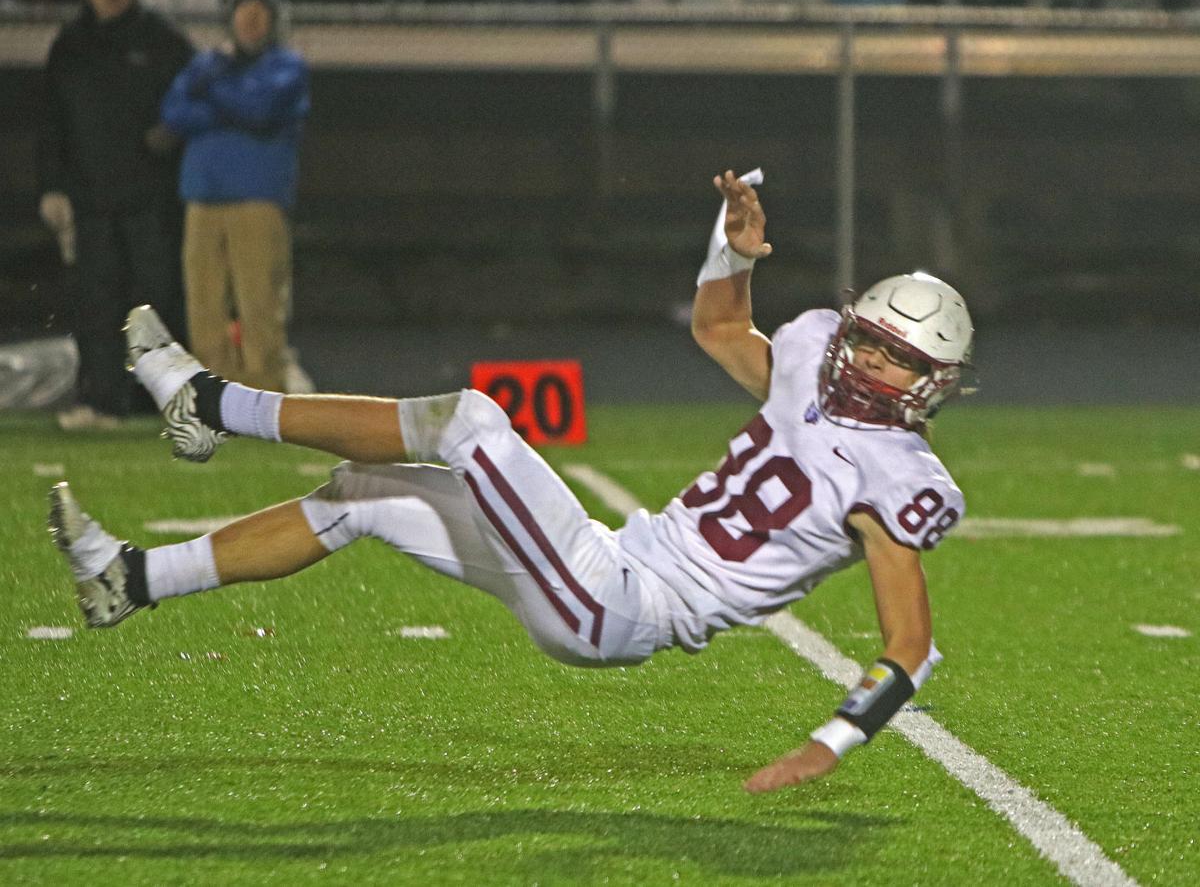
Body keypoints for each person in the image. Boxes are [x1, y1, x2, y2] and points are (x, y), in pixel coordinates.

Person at [48, 169, 974, 792]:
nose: (861, 357)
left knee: (471, 419)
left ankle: (211, 402)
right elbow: (723, 332)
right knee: (358, 498)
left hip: (621, 605)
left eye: (892, 357)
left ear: (931, 382)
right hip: (609, 562)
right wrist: (732, 250)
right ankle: (128, 580)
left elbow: (913, 643)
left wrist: (832, 741)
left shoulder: (899, 480)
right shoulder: (813, 356)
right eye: (865, 334)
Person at [37, 0, 194, 430]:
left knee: (158, 300)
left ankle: (165, 401)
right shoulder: (70, 43)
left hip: (150, 196)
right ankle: (102, 400)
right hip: (90, 197)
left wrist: (172, 141)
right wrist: (51, 187)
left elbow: (195, 100)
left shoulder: (164, 39)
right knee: (96, 303)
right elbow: (52, 124)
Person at [160, 0, 309, 394]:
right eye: (244, 12)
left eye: (259, 14)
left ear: (273, 21)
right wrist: (231, 101)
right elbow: (173, 113)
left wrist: (214, 93)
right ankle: (216, 399)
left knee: (259, 304)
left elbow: (261, 110)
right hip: (203, 200)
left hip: (257, 202)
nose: (251, 22)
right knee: (204, 307)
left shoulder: (286, 66)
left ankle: (264, 395)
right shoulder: (208, 65)